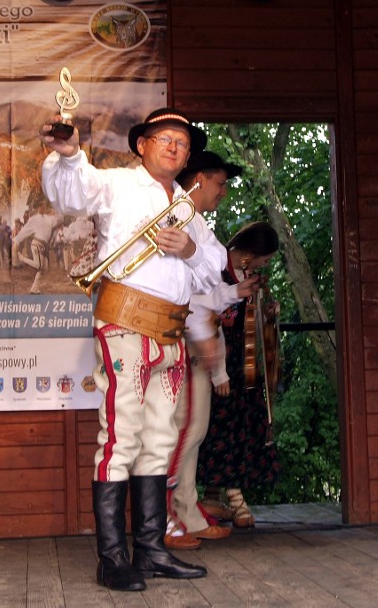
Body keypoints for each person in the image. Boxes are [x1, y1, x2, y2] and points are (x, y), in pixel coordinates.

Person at [41, 107, 225, 592]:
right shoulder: (119, 184)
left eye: (182, 143)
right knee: (121, 436)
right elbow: (73, 190)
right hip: (125, 324)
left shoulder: (185, 207)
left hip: (169, 333)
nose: (174, 147)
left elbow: (215, 264)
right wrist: (68, 155)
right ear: (142, 144)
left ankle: (151, 550)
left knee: (161, 439)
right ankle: (112, 559)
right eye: (164, 138)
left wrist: (188, 250)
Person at [162, 151, 255, 549]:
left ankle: (185, 509)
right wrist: (201, 336)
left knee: (193, 431)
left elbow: (205, 287)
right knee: (183, 430)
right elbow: (186, 292)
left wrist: (236, 291)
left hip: (193, 339)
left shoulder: (196, 221)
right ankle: (167, 516)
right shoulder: (179, 216)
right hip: (182, 339)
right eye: (220, 183)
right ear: (199, 179)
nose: (224, 191)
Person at [194, 221, 281, 532]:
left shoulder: (249, 277)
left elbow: (253, 318)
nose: (264, 265)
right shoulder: (215, 265)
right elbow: (205, 312)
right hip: (215, 351)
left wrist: (268, 314)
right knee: (220, 425)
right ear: (251, 253)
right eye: (265, 258)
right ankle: (236, 498)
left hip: (245, 360)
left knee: (241, 422)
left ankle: (215, 496)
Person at [12, 203, 62, 294]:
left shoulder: (49, 218)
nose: (42, 208)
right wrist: (17, 240)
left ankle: (34, 288)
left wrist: (54, 212)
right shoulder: (34, 219)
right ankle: (22, 258)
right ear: (38, 208)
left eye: (44, 206)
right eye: (40, 206)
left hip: (45, 246)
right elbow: (24, 231)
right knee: (39, 266)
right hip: (37, 244)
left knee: (45, 268)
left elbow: (60, 218)